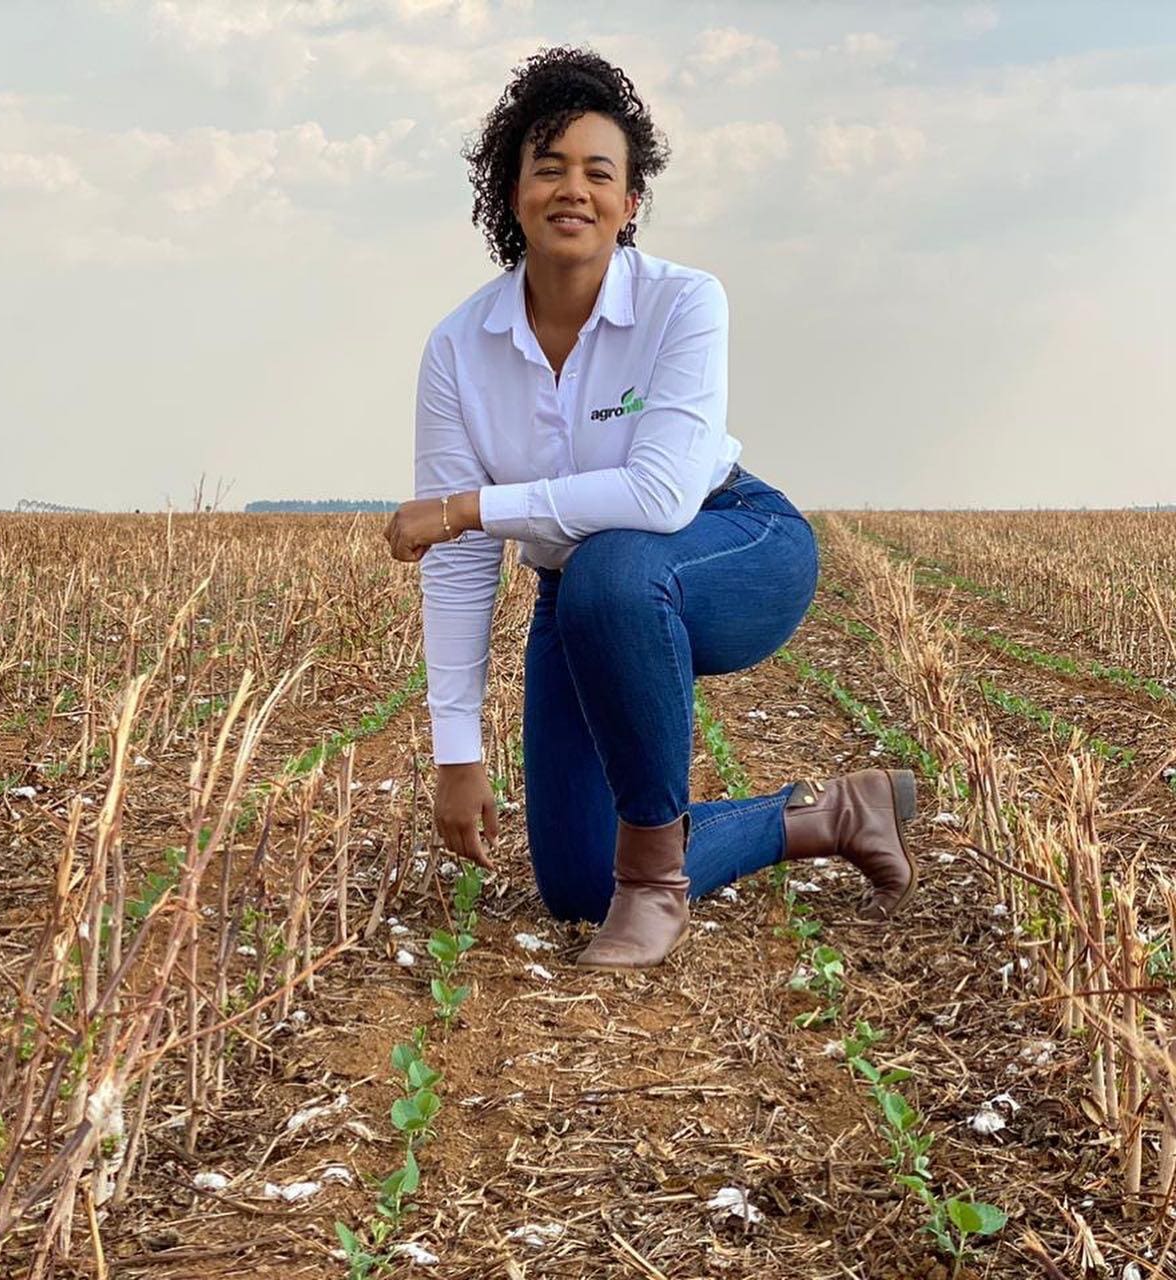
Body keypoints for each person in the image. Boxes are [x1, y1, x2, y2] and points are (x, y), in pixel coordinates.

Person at [384, 47, 918, 971]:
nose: (573, 189)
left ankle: (657, 889)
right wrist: (455, 750)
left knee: (612, 565)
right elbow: (464, 564)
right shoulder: (459, 347)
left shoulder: (684, 302)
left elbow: (661, 494)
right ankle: (832, 813)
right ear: (510, 193)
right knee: (578, 881)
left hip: (732, 545)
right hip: (581, 596)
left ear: (631, 204)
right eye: (547, 167)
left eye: (601, 172)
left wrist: (470, 507)